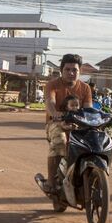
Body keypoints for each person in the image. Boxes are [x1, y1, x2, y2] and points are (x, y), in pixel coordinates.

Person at [41, 54, 92, 193]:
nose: (71, 73)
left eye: (74, 70)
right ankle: (51, 182)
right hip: (55, 123)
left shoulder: (86, 88)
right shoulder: (52, 85)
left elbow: (88, 109)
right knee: (60, 141)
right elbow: (50, 103)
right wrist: (55, 113)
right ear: (61, 70)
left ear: (79, 71)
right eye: (67, 69)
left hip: (78, 124)